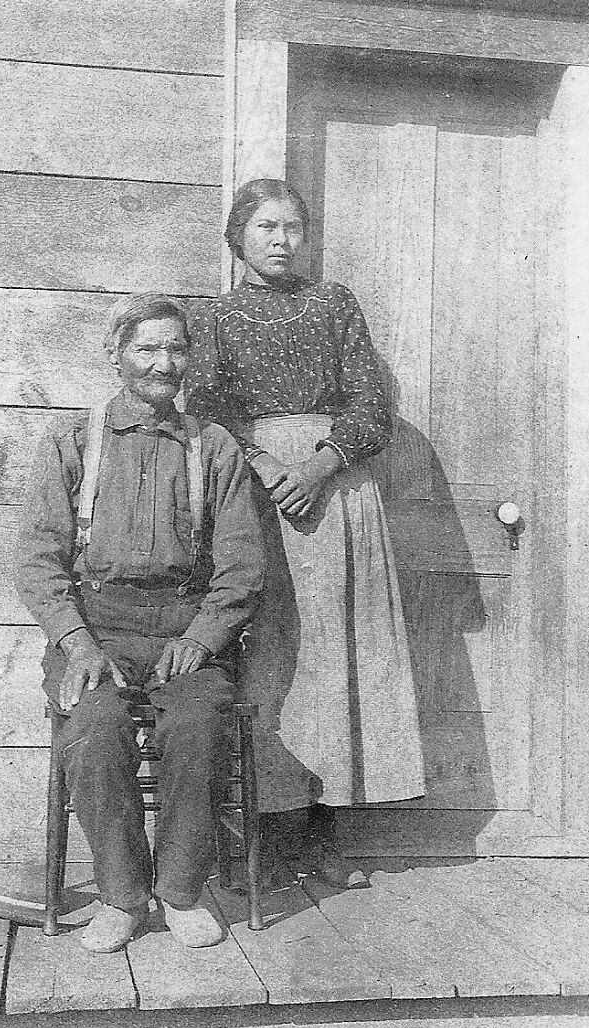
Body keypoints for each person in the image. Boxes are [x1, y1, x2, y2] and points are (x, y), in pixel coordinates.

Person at [186, 179, 425, 884]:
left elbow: (370, 402)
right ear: (239, 236)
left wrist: (320, 466)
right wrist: (261, 463)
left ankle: (325, 837)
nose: (282, 239)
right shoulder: (217, 316)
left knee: (334, 654)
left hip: (337, 493)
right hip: (254, 496)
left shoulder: (333, 302)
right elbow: (202, 407)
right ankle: (265, 834)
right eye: (266, 226)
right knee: (271, 654)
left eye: (292, 226)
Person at [15, 293, 265, 953]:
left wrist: (201, 637)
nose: (163, 363)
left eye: (176, 348)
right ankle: (122, 896)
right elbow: (37, 561)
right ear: (118, 353)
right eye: (147, 348)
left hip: (186, 627)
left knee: (199, 718)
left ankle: (181, 891)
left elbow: (242, 569)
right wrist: (76, 642)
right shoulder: (73, 440)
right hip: (96, 625)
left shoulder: (214, 447)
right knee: (92, 725)